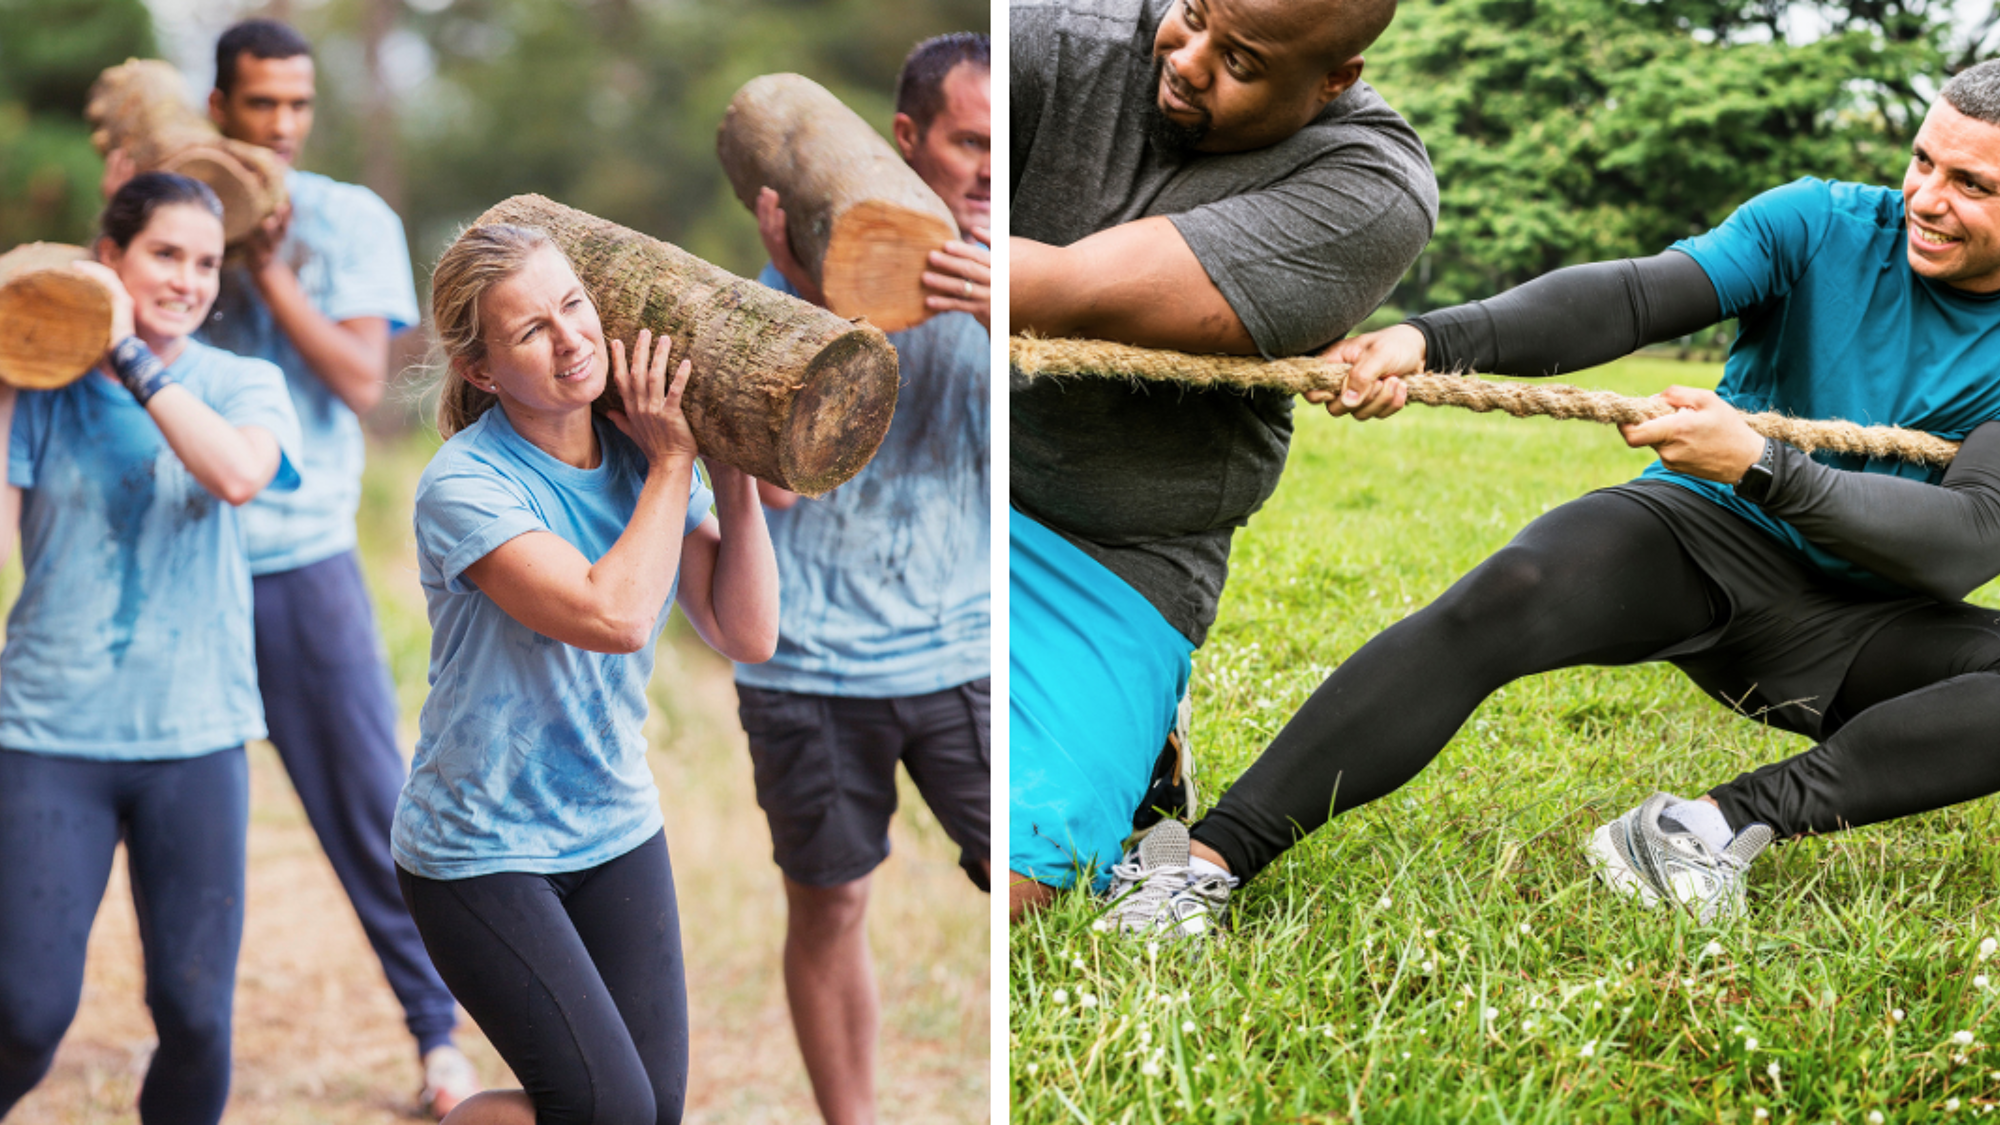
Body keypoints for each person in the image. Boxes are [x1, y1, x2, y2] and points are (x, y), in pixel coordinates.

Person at [1107, 60, 2000, 935]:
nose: (1925, 198)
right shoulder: (1822, 224)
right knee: (1512, 589)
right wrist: (1434, 338)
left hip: (1865, 616)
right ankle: (1206, 862)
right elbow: (1637, 296)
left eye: (1972, 184)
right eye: (1923, 160)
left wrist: (1763, 461)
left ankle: (1704, 829)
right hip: (1706, 538)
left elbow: (1966, 540)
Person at [112, 19, 480, 1112]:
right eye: (258, 105)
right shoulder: (172, 219)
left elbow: (363, 377)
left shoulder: (346, 218)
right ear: (217, 106)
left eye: (296, 106)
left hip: (296, 558)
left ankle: (437, 1041)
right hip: (170, 562)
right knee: (118, 800)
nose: (278, 126)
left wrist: (268, 276)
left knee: (374, 812)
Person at [1007, 0, 1438, 920]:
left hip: (1111, 548)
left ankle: (1141, 744)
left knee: (1014, 887)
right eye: (1191, 10)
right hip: (953, 479)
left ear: (1334, 80)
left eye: (1238, 58)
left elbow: (1071, 290)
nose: (1188, 58)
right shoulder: (1051, 39)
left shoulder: (1368, 185)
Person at [392, 224, 778, 1125]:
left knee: (654, 1113)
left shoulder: (641, 455)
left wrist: (733, 466)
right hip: (480, 848)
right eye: (531, 330)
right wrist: (677, 462)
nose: (571, 339)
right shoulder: (468, 486)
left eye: (575, 307)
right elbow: (615, 614)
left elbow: (746, 629)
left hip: (613, 825)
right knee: (606, 1111)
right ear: (481, 368)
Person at [0, 173, 301, 1124]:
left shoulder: (241, 382)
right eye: (165, 254)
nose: (188, 279)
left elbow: (238, 474)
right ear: (112, 259)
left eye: (206, 263)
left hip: (195, 737)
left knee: (195, 1015)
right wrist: (12, 376)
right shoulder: (41, 392)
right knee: (24, 1012)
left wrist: (124, 350)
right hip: (48, 733)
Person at [738, 33, 989, 1125]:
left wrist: (1003, 306)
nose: (986, 169)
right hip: (812, 658)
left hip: (970, 645)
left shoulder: (1032, 272)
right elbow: (780, 493)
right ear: (904, 140)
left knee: (1044, 873)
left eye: (1003, 146)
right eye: (968, 142)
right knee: (830, 903)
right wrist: (807, 294)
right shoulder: (781, 282)